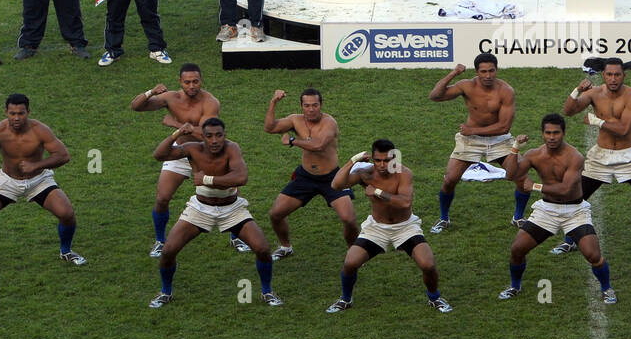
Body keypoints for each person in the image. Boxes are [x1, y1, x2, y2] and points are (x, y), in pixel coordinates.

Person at [148, 117, 282, 308]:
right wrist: (177, 133)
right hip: (200, 208)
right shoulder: (192, 148)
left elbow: (241, 177)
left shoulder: (232, 148)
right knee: (169, 250)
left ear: (224, 135)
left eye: (218, 135)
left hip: (232, 208)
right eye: (209, 136)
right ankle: (165, 293)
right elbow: (159, 155)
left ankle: (267, 292)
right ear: (202, 137)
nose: (214, 140)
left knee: (262, 248)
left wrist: (207, 180)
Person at [131, 64, 248, 256]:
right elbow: (136, 106)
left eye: (196, 81)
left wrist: (175, 124)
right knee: (162, 198)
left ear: (201, 80)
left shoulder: (210, 102)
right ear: (180, 82)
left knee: (228, 196)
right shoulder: (171, 98)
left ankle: (236, 237)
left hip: (207, 153)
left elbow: (206, 135)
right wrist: (150, 92)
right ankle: (160, 240)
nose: (192, 85)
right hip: (181, 151)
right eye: (187, 82)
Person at [0, 93, 86, 268]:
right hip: (8, 181)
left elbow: (63, 156)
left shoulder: (40, 130)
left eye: (21, 113)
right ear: (6, 112)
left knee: (67, 214)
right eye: (12, 113)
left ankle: (66, 252)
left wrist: (36, 166)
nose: (16, 118)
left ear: (28, 112)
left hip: (39, 180)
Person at [499, 114, 616, 304]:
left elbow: (565, 188)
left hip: (575, 211)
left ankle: (607, 288)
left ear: (563, 133)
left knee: (593, 255)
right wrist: (515, 148)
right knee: (517, 250)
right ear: (542, 134)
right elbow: (510, 174)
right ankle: (515, 286)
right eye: (548, 133)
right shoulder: (534, 155)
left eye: (556, 133)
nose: (552, 137)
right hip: (547, 210)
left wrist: (534, 187)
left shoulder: (574, 156)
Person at [325, 140, 452, 314]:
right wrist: (353, 161)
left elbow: (405, 203)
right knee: (350, 263)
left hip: (405, 227)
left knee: (428, 265)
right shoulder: (365, 173)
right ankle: (345, 299)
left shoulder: (404, 173)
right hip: (377, 228)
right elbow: (336, 185)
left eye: (387, 160)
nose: (382, 165)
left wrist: (377, 192)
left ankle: (434, 297)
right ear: (372, 159)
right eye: (378, 160)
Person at [556, 58, 631, 254]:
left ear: (624, 75)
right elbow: (568, 111)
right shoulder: (594, 93)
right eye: (609, 74)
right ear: (603, 75)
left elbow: (624, 129)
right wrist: (577, 91)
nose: (613, 79)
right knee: (575, 198)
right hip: (601, 157)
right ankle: (569, 240)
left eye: (617, 74)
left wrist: (595, 121)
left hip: (628, 157)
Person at [427, 53, 530, 233]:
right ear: (477, 72)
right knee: (450, 180)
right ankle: (444, 219)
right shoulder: (466, 86)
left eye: (491, 71)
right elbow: (435, 96)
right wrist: (453, 74)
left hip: (498, 139)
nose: (488, 75)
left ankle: (518, 217)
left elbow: (504, 127)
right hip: (470, 140)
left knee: (522, 179)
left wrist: (473, 130)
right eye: (483, 71)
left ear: (497, 70)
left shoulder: (506, 91)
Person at [264, 88, 359, 259]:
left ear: (321, 105)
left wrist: (293, 141)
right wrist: (273, 102)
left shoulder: (329, 122)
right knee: (275, 214)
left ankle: (354, 251)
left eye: (315, 105)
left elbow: (319, 145)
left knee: (349, 219)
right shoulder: (295, 120)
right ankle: (286, 247)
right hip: (305, 176)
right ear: (301, 106)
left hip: (331, 177)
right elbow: (269, 128)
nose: (311, 109)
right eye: (307, 105)